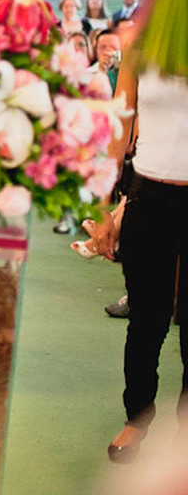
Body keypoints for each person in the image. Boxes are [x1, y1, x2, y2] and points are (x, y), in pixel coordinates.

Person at [87, 59, 188, 463]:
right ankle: (138, 418)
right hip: (148, 196)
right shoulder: (143, 40)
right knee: (147, 320)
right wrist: (103, 205)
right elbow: (118, 128)